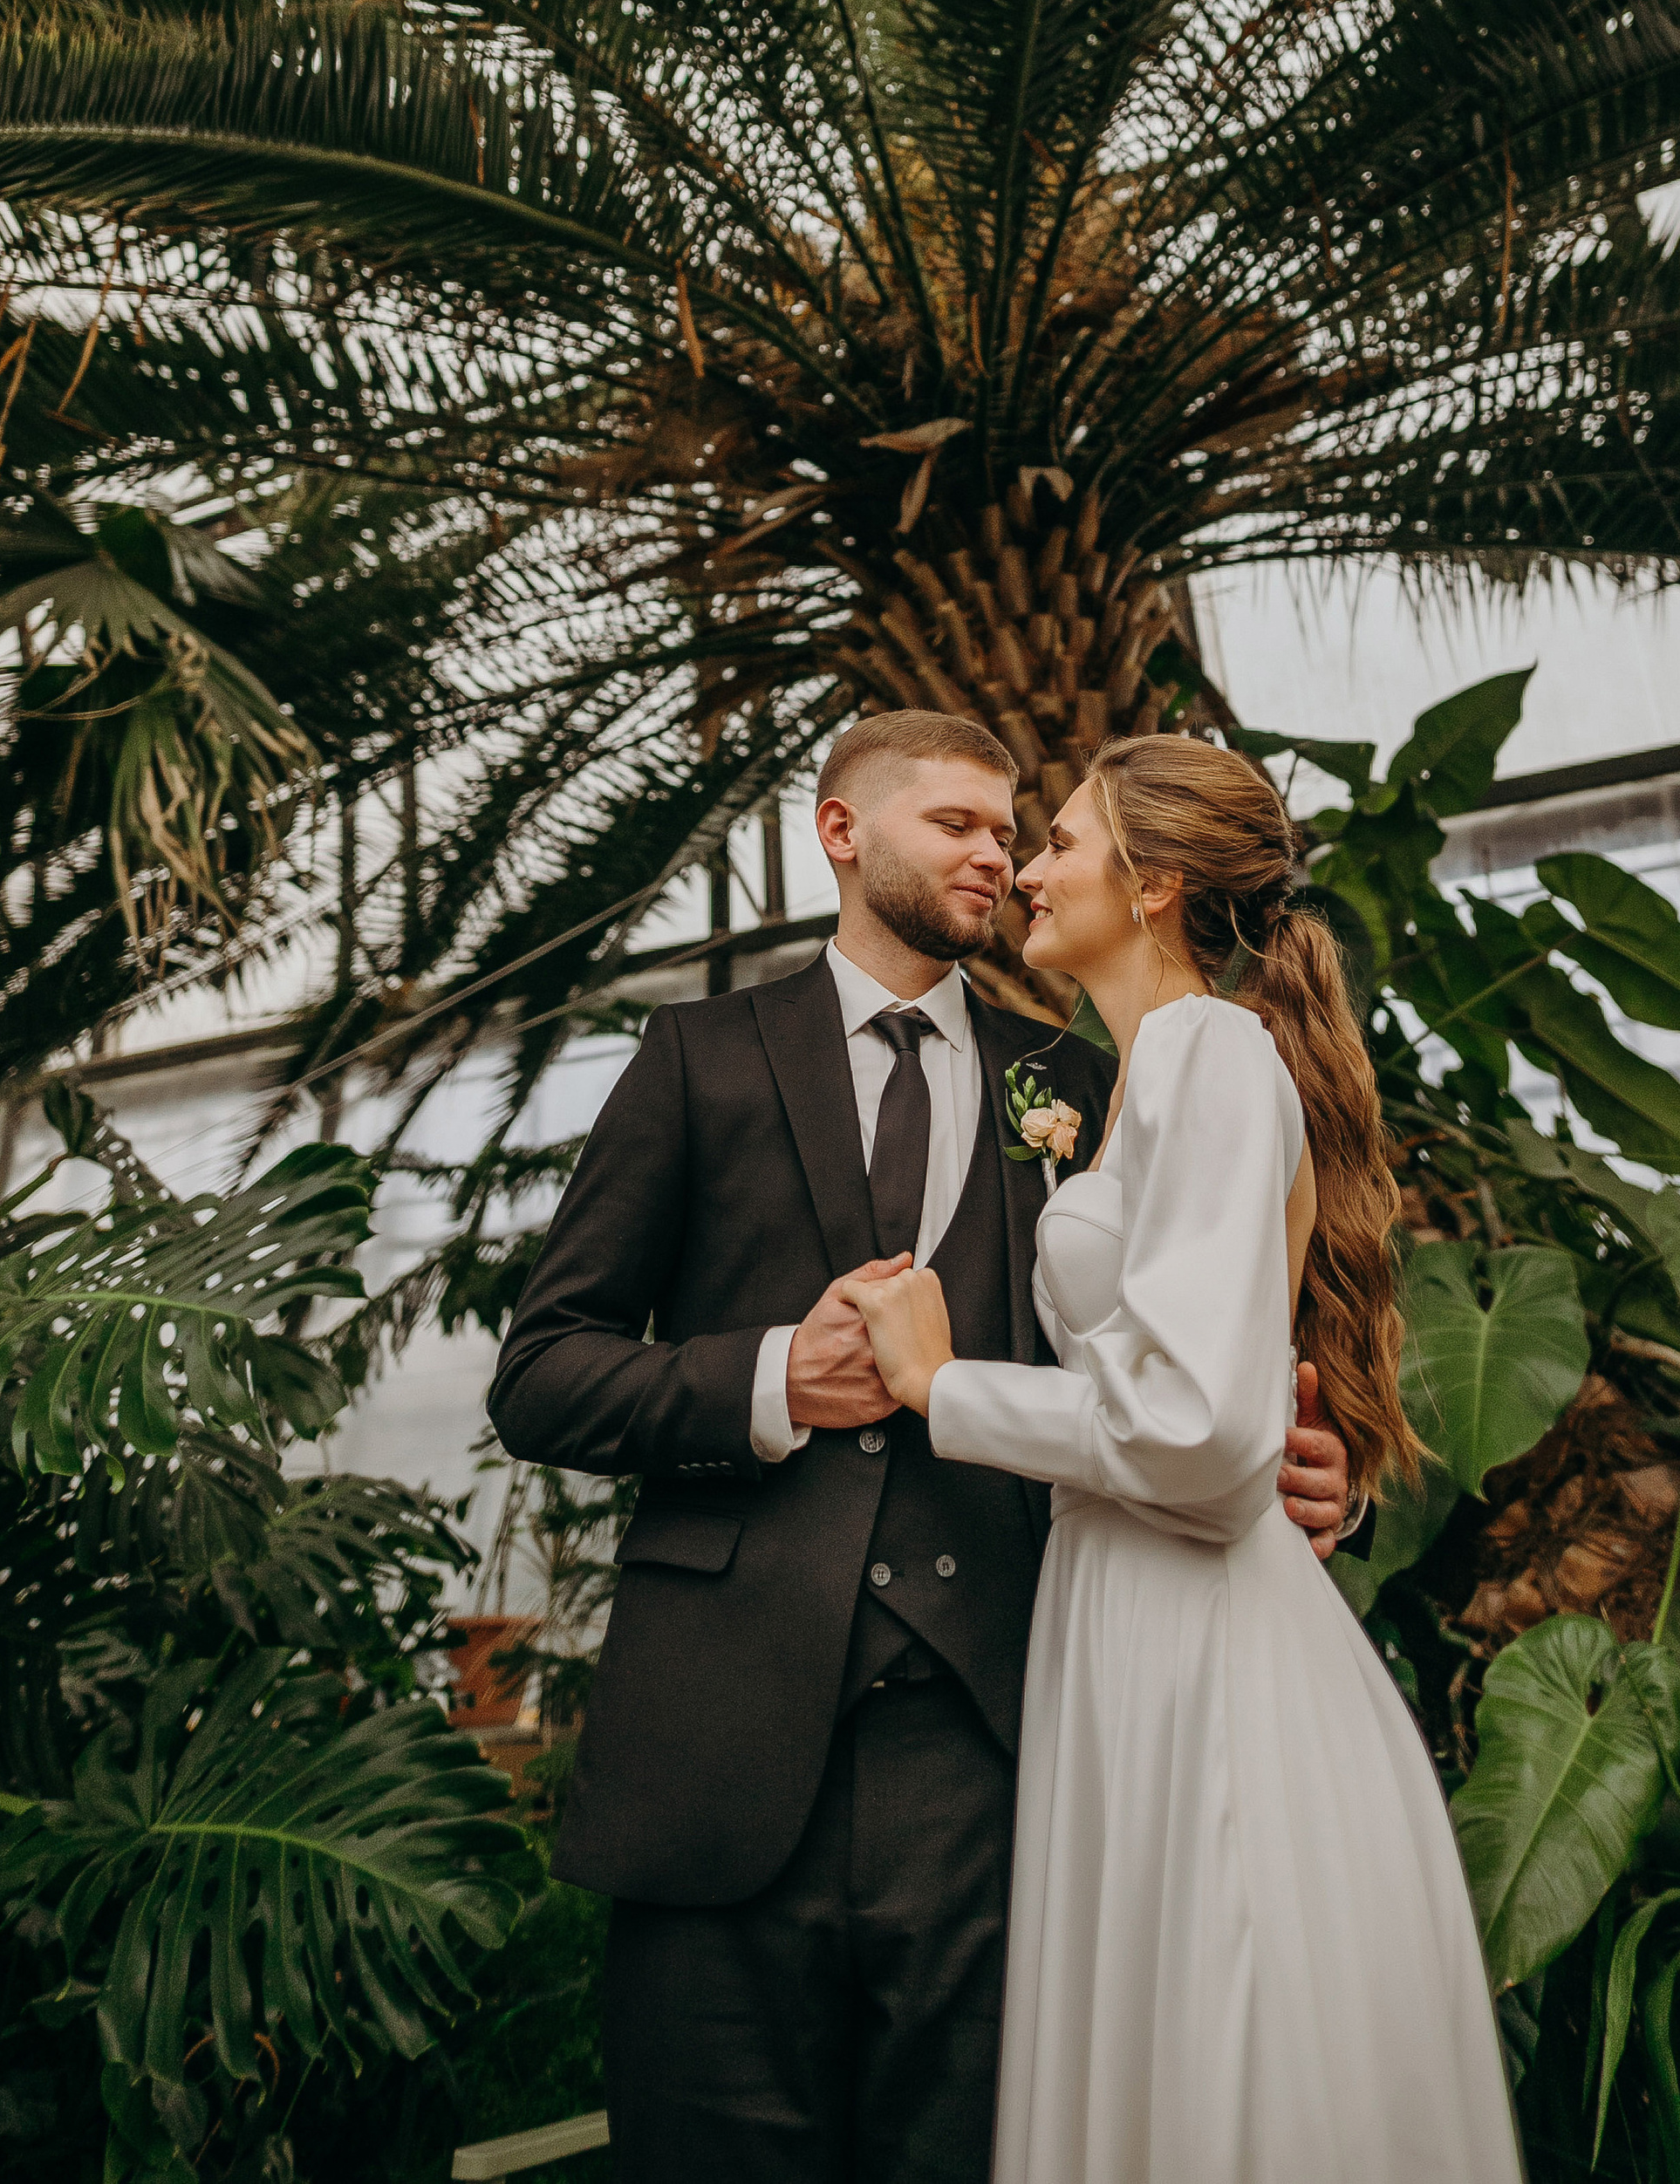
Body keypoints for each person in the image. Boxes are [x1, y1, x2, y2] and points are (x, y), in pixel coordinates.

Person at [487, 710, 1352, 2184]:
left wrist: (1291, 1480)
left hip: (1006, 1750)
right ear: (843, 833)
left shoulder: (1085, 1081)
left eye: (1013, 829)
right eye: (954, 823)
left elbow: (1183, 1372)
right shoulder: (700, 1060)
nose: (996, 853)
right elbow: (544, 1376)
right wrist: (771, 1378)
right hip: (724, 1745)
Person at [852, 734, 1524, 2184]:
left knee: (1231, 2046)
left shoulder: (1210, 1052)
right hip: (1124, 1619)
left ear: (1152, 887)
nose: (1028, 867)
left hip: (1197, 1634)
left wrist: (942, 1385)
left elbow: (1207, 1438)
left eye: (1064, 843)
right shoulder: (1144, 1075)